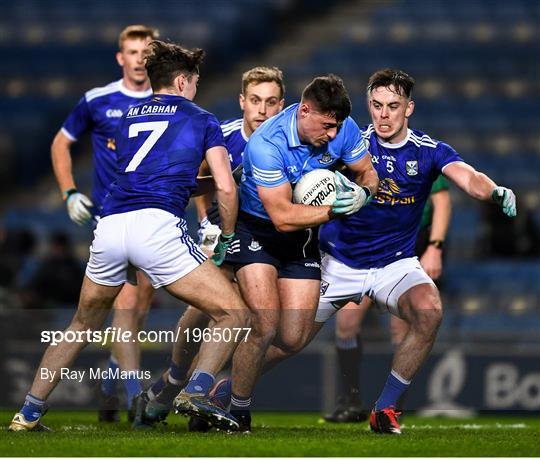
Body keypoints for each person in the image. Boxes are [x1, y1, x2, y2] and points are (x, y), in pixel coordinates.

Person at [256, 68, 516, 435]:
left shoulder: (428, 152)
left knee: (429, 310)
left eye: (393, 106)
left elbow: (468, 176)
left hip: (395, 264)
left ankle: (386, 408)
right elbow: (300, 179)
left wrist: (494, 190)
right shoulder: (350, 142)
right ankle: (224, 393)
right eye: (376, 105)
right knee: (288, 341)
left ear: (409, 108)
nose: (383, 114)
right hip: (338, 262)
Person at [9, 40, 249, 433]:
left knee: (81, 324)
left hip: (111, 225)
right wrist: (225, 234)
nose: (196, 89)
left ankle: (28, 414)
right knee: (234, 312)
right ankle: (197, 391)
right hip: (156, 228)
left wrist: (199, 184)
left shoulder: (129, 117)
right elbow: (225, 188)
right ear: (183, 80)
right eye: (195, 82)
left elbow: (152, 179)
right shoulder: (201, 118)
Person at [220, 74, 379, 432]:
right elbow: (280, 216)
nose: (333, 135)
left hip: (302, 238)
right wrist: (338, 210)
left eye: (337, 127)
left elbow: (368, 172)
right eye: (326, 126)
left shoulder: (344, 127)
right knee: (264, 323)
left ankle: (222, 389)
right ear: (304, 111)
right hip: (258, 229)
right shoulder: (266, 144)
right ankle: (238, 412)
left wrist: (363, 194)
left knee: (293, 338)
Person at [131, 66, 286, 430]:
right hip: (222, 230)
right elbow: (195, 180)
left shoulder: (289, 141)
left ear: (282, 105)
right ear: (242, 101)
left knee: (249, 318)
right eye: (255, 101)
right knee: (203, 308)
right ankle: (175, 378)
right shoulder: (224, 134)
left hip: (263, 236)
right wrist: (205, 222)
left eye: (270, 102)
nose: (262, 110)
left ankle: (198, 388)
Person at [50, 25, 159, 421]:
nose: (139, 59)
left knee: (140, 305)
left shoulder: (167, 101)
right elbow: (61, 142)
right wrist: (69, 192)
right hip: (111, 215)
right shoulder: (98, 100)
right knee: (126, 302)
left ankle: (111, 381)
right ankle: (135, 398)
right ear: (121, 58)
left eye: (146, 51)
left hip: (156, 216)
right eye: (132, 51)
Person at [324, 175, 451, 423]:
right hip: (361, 245)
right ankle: (351, 400)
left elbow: (442, 202)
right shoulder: (361, 152)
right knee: (346, 324)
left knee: (401, 328)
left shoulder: (417, 155)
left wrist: (434, 247)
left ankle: (391, 406)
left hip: (406, 245)